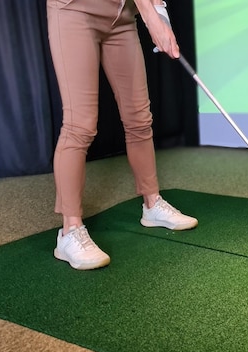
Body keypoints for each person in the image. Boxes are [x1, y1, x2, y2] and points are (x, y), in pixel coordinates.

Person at [46, 0, 197, 270]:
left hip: (122, 16)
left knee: (139, 120)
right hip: (75, 10)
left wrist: (159, 12)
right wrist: (151, 18)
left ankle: (152, 204)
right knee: (79, 126)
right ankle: (69, 232)